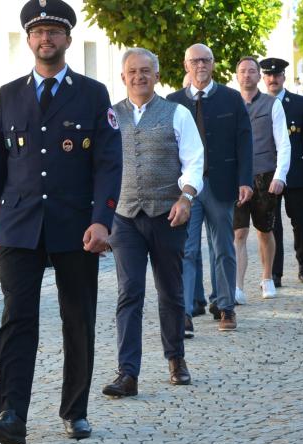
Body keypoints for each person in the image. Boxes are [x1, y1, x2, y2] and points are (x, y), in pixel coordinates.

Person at [0, 0, 122, 444]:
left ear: (68, 40)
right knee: (17, 319)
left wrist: (102, 221)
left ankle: (75, 411)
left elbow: (109, 163)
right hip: (19, 224)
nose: (46, 39)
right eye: (38, 32)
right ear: (29, 40)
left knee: (78, 319)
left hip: (75, 226)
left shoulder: (92, 94)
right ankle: (9, 413)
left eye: (55, 31)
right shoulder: (10, 94)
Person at [100, 48, 203, 398]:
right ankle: (127, 373)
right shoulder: (111, 116)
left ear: (157, 76)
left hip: (167, 214)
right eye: (133, 71)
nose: (139, 77)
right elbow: (99, 167)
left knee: (170, 291)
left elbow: (194, 161)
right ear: (123, 77)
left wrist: (186, 197)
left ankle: (176, 359)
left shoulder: (177, 114)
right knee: (129, 293)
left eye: (146, 71)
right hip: (124, 217)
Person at [167, 43, 253, 333]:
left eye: (206, 60)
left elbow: (244, 141)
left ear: (213, 64)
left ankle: (226, 307)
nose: (200, 66)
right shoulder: (173, 102)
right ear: (186, 65)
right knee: (187, 250)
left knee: (223, 248)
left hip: (222, 184)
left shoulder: (230, 98)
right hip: (187, 188)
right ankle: (186, 311)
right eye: (195, 61)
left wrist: (245, 180)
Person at [234, 56, 291, 300]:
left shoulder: (271, 104)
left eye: (251, 71)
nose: (247, 75)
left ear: (259, 76)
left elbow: (283, 143)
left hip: (265, 174)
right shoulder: (230, 104)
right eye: (242, 71)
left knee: (264, 231)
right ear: (237, 76)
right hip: (237, 177)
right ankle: (237, 286)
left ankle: (267, 277)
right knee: (238, 233)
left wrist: (280, 175)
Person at [261, 58, 303, 288]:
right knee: (273, 224)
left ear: (284, 77)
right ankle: (275, 272)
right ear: (264, 78)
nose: (273, 79)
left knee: (300, 219)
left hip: (294, 172)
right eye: (269, 75)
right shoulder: (259, 103)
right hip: (267, 173)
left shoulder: (300, 103)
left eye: (277, 75)